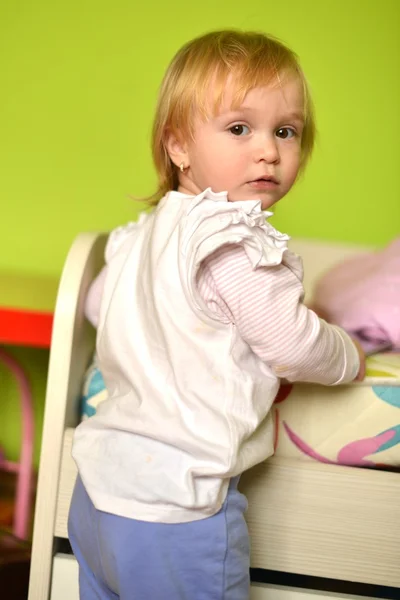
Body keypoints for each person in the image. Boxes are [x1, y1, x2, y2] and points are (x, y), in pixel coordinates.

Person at [68, 29, 365, 600]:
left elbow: (98, 302)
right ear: (178, 146)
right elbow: (295, 346)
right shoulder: (232, 241)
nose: (268, 150)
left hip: (99, 496)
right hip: (175, 509)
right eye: (238, 128)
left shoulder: (145, 235)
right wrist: (348, 354)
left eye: (287, 131)